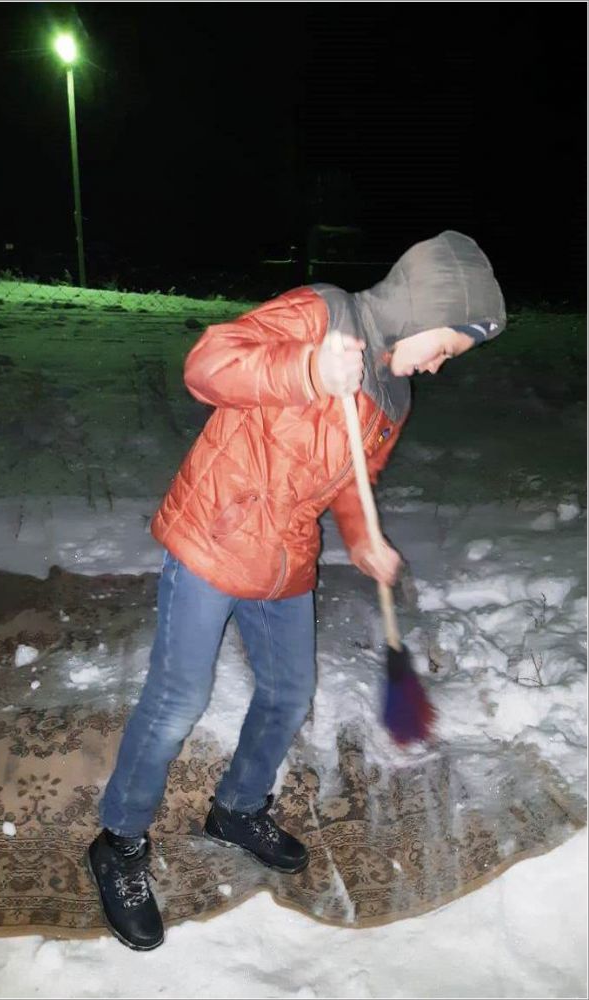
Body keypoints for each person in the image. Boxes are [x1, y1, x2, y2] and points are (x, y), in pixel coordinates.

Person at [87, 230, 506, 950]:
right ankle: (118, 842)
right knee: (179, 697)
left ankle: (236, 808)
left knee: (288, 691)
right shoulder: (324, 312)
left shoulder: (394, 395)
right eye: (443, 346)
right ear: (422, 310)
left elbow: (352, 483)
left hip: (285, 554)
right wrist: (307, 367)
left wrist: (363, 537)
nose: (439, 365)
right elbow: (208, 365)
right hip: (216, 529)